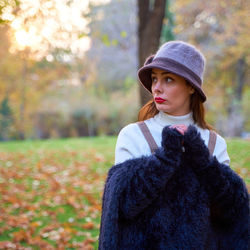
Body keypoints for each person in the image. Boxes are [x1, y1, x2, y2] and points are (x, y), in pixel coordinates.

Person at [98, 41, 249, 250]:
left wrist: (203, 161)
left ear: (190, 87)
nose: (157, 87)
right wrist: (164, 159)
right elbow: (123, 205)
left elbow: (231, 212)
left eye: (168, 79)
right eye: (154, 79)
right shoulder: (133, 135)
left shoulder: (214, 143)